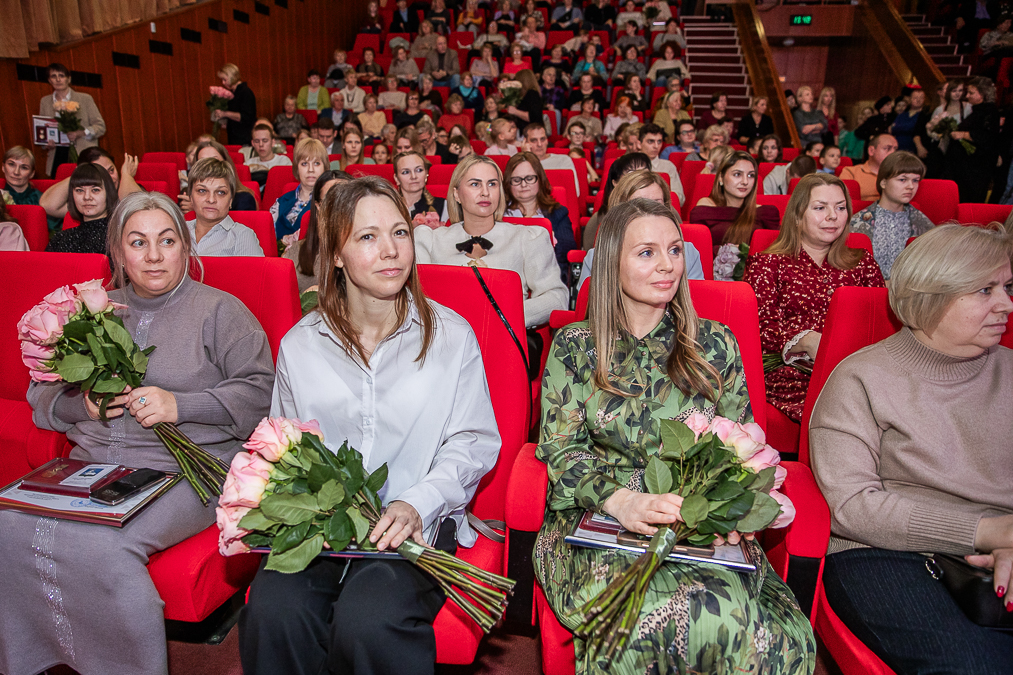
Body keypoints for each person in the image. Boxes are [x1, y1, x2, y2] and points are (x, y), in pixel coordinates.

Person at [536, 194, 817, 675]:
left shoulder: (715, 343)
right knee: (658, 619)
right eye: (646, 252)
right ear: (612, 265)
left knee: (767, 636)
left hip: (698, 524)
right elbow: (562, 451)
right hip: (600, 523)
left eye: (674, 249)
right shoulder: (576, 347)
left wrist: (734, 507)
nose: (667, 265)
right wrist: (620, 500)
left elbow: (744, 447)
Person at [0, 190, 274, 675]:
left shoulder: (221, 311)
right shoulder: (91, 313)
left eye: (166, 240)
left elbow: (261, 394)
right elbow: (39, 396)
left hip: (187, 470)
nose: (153, 255)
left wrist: (179, 405)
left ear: (185, 246)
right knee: (8, 522)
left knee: (104, 545)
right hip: (90, 462)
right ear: (118, 251)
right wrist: (78, 404)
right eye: (138, 242)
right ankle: (35, 659)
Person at [240, 174, 500, 675]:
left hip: (417, 522)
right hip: (323, 523)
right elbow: (286, 446)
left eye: (400, 233)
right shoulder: (301, 343)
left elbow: (471, 441)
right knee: (274, 611)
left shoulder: (450, 335)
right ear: (335, 254)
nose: (391, 251)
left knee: (369, 619)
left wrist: (416, 502)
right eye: (367, 237)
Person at [810, 224, 1013, 675]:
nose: (1006, 304)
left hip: (1003, 548)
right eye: (985, 290)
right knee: (977, 666)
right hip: (889, 553)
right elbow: (853, 508)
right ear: (932, 296)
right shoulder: (863, 378)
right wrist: (989, 531)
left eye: (1007, 287)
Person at [744, 173, 885, 422]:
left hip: (858, 371)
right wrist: (805, 340)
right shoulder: (768, 264)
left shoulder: (862, 263)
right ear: (798, 217)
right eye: (820, 208)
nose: (832, 216)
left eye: (840, 208)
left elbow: (881, 327)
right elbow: (760, 330)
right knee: (846, 407)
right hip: (792, 375)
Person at [414, 154, 568, 327]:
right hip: (447, 343)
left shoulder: (528, 238)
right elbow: (418, 303)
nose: (485, 192)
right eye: (475, 184)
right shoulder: (429, 241)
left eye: (492, 184)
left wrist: (503, 316)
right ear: (456, 194)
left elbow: (557, 297)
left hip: (505, 340)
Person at [578, 169, 706, 288]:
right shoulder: (597, 257)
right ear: (620, 211)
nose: (649, 212)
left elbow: (695, 305)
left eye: (657, 204)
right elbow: (590, 308)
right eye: (639, 204)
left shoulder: (687, 253)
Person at [849, 151, 934, 279]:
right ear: (883, 182)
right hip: (870, 293)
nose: (911, 186)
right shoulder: (857, 223)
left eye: (915, 180)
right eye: (902, 179)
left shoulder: (924, 225)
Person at [503, 152, 577, 276]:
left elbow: (566, 256)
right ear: (508, 183)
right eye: (516, 180)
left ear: (540, 179)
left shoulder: (558, 213)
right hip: (508, 278)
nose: (523, 184)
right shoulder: (498, 214)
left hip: (547, 278)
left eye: (529, 178)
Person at [691, 151, 779, 255]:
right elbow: (697, 250)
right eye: (737, 174)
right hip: (712, 269)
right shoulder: (705, 209)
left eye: (751, 175)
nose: (745, 181)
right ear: (721, 178)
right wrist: (731, 252)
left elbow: (776, 250)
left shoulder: (765, 213)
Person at [185, 158, 263, 257]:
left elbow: (253, 272)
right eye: (202, 191)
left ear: (230, 200)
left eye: (221, 192)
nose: (211, 199)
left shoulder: (242, 236)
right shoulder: (177, 231)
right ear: (190, 197)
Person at [282, 170, 345, 292]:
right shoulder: (296, 252)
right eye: (330, 200)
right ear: (318, 206)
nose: (339, 206)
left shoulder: (370, 250)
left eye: (345, 199)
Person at [38, 62, 106, 177]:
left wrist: (82, 132)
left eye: (62, 76)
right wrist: (46, 144)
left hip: (82, 153)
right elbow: (43, 129)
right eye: (54, 76)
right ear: (49, 80)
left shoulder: (85, 98)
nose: (58, 79)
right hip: (57, 155)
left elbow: (100, 127)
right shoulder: (45, 101)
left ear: (68, 79)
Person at [945, 77, 1001, 203]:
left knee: (970, 199)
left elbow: (986, 136)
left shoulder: (989, 111)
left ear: (982, 94)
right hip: (966, 168)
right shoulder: (977, 111)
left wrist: (962, 134)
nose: (967, 96)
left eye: (971, 93)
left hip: (975, 170)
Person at [582, 152, 651, 249]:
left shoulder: (668, 211)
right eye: (631, 174)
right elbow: (592, 259)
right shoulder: (600, 219)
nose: (638, 179)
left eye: (645, 173)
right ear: (615, 182)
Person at [45, 163, 119, 253]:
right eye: (80, 190)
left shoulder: (120, 239)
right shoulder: (59, 240)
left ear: (108, 193)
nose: (87, 197)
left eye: (95, 190)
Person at [272, 138, 326, 241]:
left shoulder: (331, 202)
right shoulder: (280, 202)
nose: (311, 170)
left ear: (325, 167)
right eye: (304, 164)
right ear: (297, 168)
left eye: (316, 163)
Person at [523, 123, 581, 196]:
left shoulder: (563, 160)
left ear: (547, 141)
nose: (539, 144)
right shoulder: (521, 163)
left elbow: (575, 192)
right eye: (534, 140)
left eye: (542, 139)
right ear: (525, 142)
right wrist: (527, 158)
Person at [840, 133, 898, 201]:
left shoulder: (900, 174)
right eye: (887, 148)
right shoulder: (851, 172)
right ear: (871, 150)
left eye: (895, 149)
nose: (893, 153)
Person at [638, 123, 685, 205]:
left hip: (662, 211)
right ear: (639, 144)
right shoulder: (629, 165)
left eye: (659, 141)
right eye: (650, 141)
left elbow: (679, 198)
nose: (656, 146)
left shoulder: (668, 166)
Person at [395, 150, 448, 222]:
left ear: (426, 174)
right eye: (406, 172)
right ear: (396, 178)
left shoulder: (443, 205)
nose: (413, 176)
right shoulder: (388, 207)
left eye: (419, 170)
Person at [214, 63, 256, 146]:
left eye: (224, 79)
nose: (223, 83)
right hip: (234, 137)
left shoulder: (245, 92)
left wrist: (224, 114)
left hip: (244, 139)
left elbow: (246, 117)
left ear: (231, 76)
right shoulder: (233, 93)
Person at [890, 86, 930, 157]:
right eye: (915, 98)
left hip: (913, 149)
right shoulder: (902, 115)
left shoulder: (924, 116)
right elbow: (893, 129)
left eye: (921, 98)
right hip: (897, 148)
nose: (918, 100)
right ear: (910, 99)